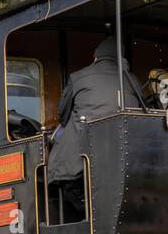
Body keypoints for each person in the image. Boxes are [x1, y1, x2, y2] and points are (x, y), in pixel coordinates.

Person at [47, 36, 144, 215]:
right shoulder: (133, 81)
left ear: (95, 57)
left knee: (72, 192)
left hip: (81, 163)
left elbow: (63, 115)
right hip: (126, 160)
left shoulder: (78, 77)